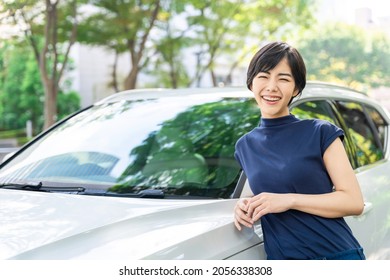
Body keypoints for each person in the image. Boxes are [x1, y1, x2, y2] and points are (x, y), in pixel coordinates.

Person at [233, 41, 365, 260]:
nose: (271, 87)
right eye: (263, 76)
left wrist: (290, 200)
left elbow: (353, 202)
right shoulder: (245, 145)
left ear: (296, 88)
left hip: (334, 256)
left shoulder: (321, 132)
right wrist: (243, 205)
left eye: (283, 79)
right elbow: (262, 188)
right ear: (251, 83)